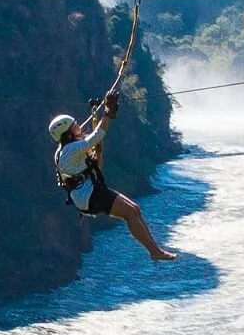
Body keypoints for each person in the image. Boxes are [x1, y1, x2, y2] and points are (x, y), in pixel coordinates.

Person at [49, 91, 176, 261]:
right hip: (89, 195)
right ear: (68, 132)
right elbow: (97, 135)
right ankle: (154, 252)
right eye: (74, 125)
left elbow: (94, 154)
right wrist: (108, 112)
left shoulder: (65, 150)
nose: (78, 126)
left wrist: (98, 116)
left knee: (134, 209)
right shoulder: (70, 150)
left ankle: (155, 250)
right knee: (130, 213)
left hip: (90, 192)